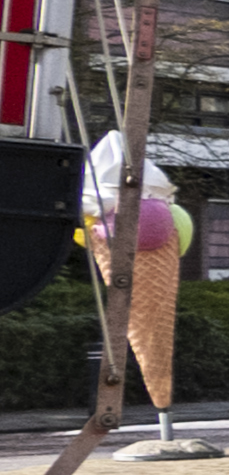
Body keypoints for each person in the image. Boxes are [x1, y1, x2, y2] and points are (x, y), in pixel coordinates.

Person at [73, 128, 185, 416]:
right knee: (152, 325)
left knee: (147, 327)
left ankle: (162, 399)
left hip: (116, 222)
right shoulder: (158, 201)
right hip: (154, 220)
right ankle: (162, 403)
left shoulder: (102, 203)